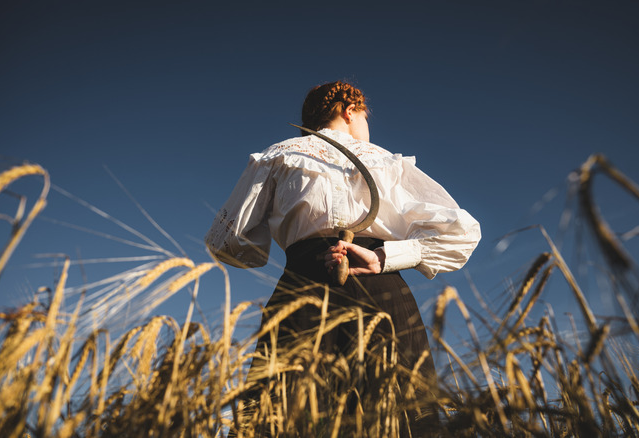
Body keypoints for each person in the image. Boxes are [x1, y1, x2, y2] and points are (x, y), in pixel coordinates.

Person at [205, 81, 481, 437]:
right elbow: (463, 232)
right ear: (349, 109)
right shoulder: (386, 161)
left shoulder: (277, 155)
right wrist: (384, 257)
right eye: (365, 116)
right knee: (398, 416)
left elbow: (227, 242)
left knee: (285, 412)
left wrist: (294, 252)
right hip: (382, 291)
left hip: (301, 289)